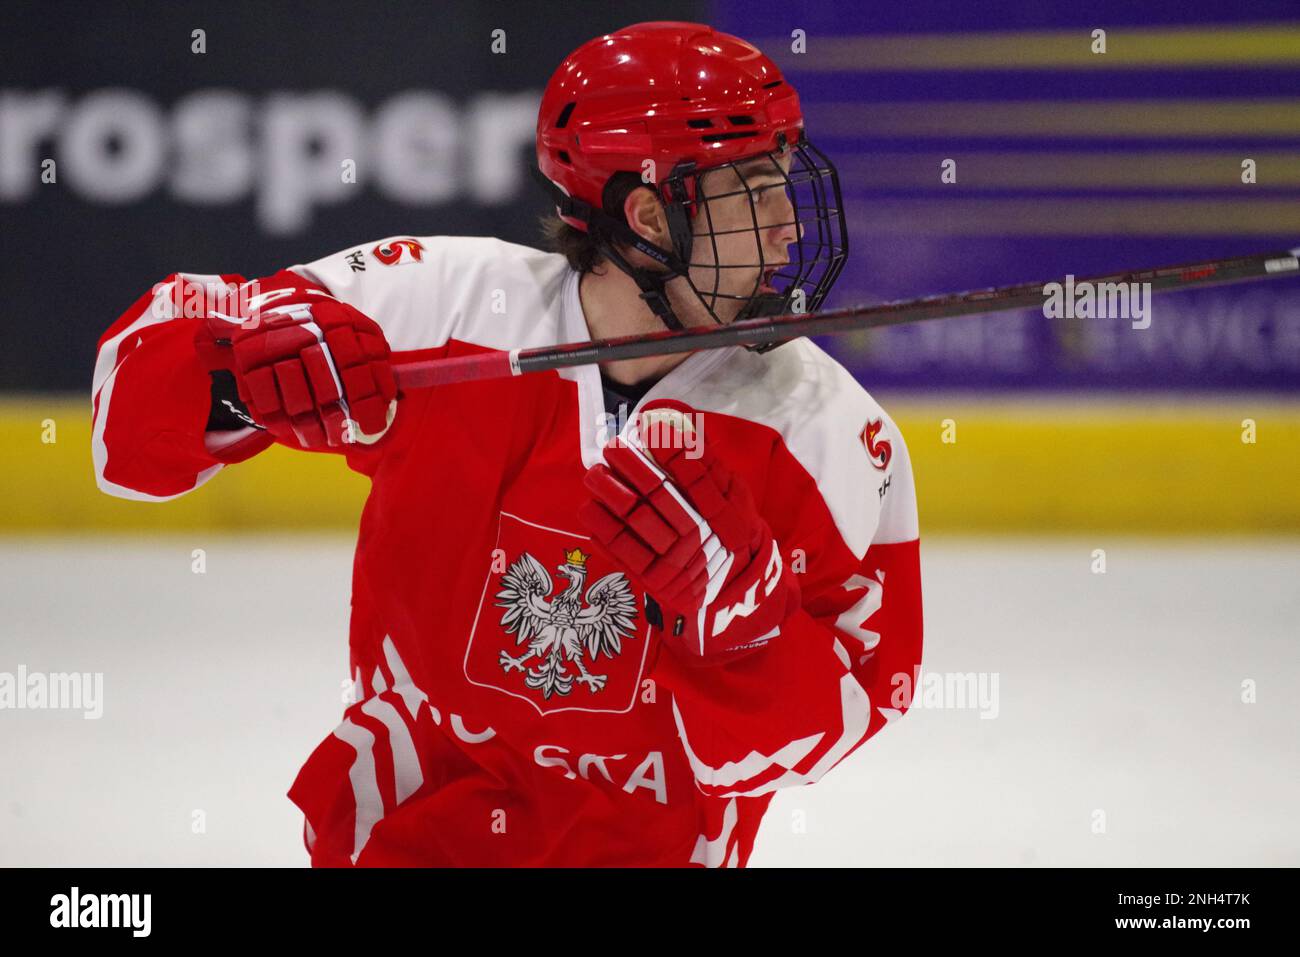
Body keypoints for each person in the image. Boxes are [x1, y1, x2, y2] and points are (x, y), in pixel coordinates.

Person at [90, 21, 923, 867]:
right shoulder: (439, 308)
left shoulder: (828, 433)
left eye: (784, 180)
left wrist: (745, 627)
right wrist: (236, 378)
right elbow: (123, 428)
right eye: (752, 190)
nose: (788, 226)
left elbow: (835, 730)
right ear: (646, 215)